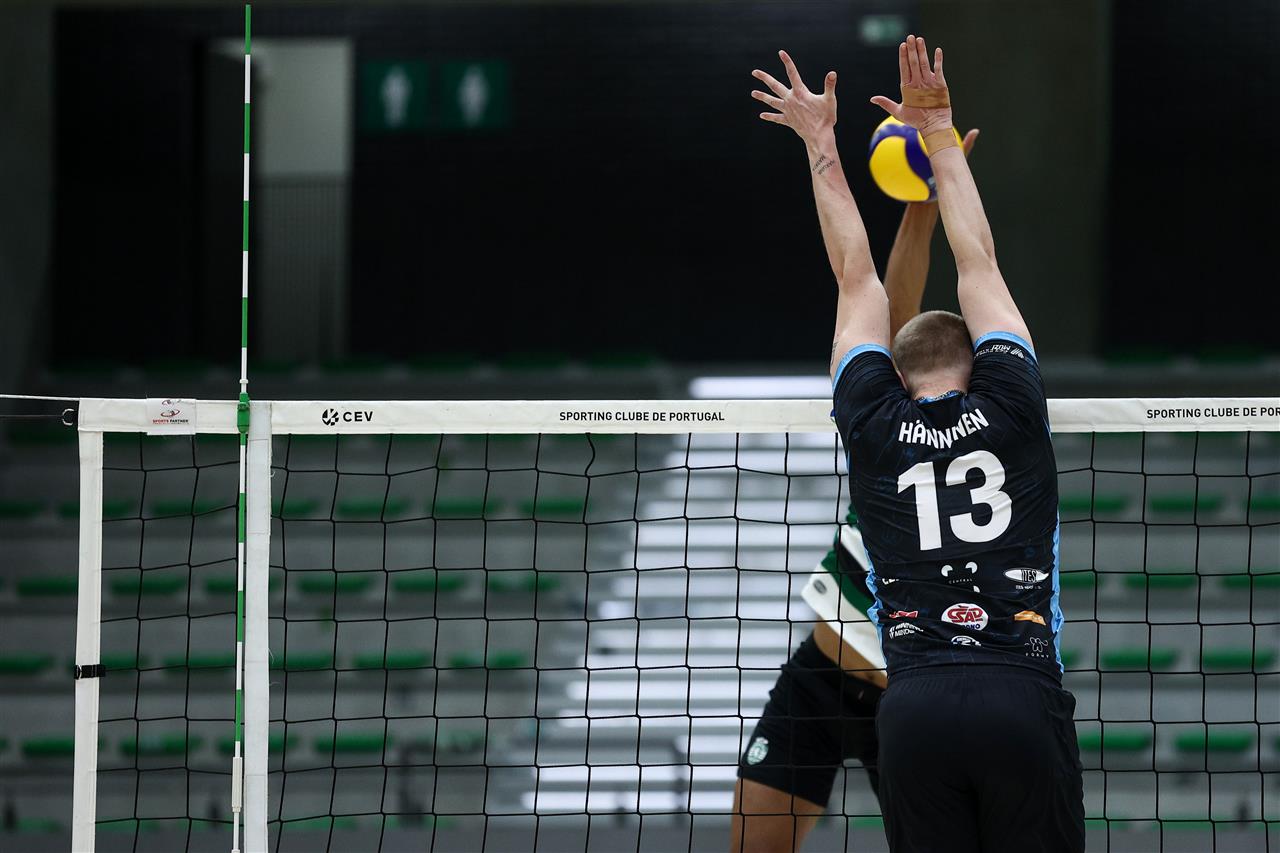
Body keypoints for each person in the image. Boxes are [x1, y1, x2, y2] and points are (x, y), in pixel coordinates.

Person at [748, 37, 1085, 852]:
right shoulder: (1013, 404)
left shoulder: (873, 419)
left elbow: (855, 278)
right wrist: (939, 132)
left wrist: (821, 144)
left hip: (915, 705)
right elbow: (980, 261)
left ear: (897, 374)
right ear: (981, 361)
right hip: (1018, 690)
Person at [732, 49, 978, 853]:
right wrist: (923, 198)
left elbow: (878, 293)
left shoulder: (990, 434)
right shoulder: (891, 418)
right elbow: (892, 310)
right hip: (822, 670)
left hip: (912, 687)